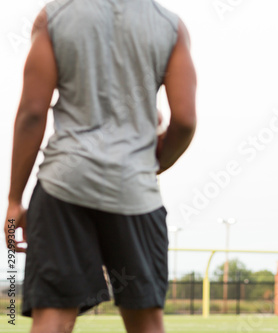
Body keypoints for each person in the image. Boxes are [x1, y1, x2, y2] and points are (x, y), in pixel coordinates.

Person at [3, 0, 196, 332]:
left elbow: (32, 112)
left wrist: (14, 199)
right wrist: (150, 165)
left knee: (53, 318)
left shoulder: (55, 17)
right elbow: (185, 121)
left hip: (64, 185)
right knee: (146, 323)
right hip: (134, 191)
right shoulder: (170, 27)